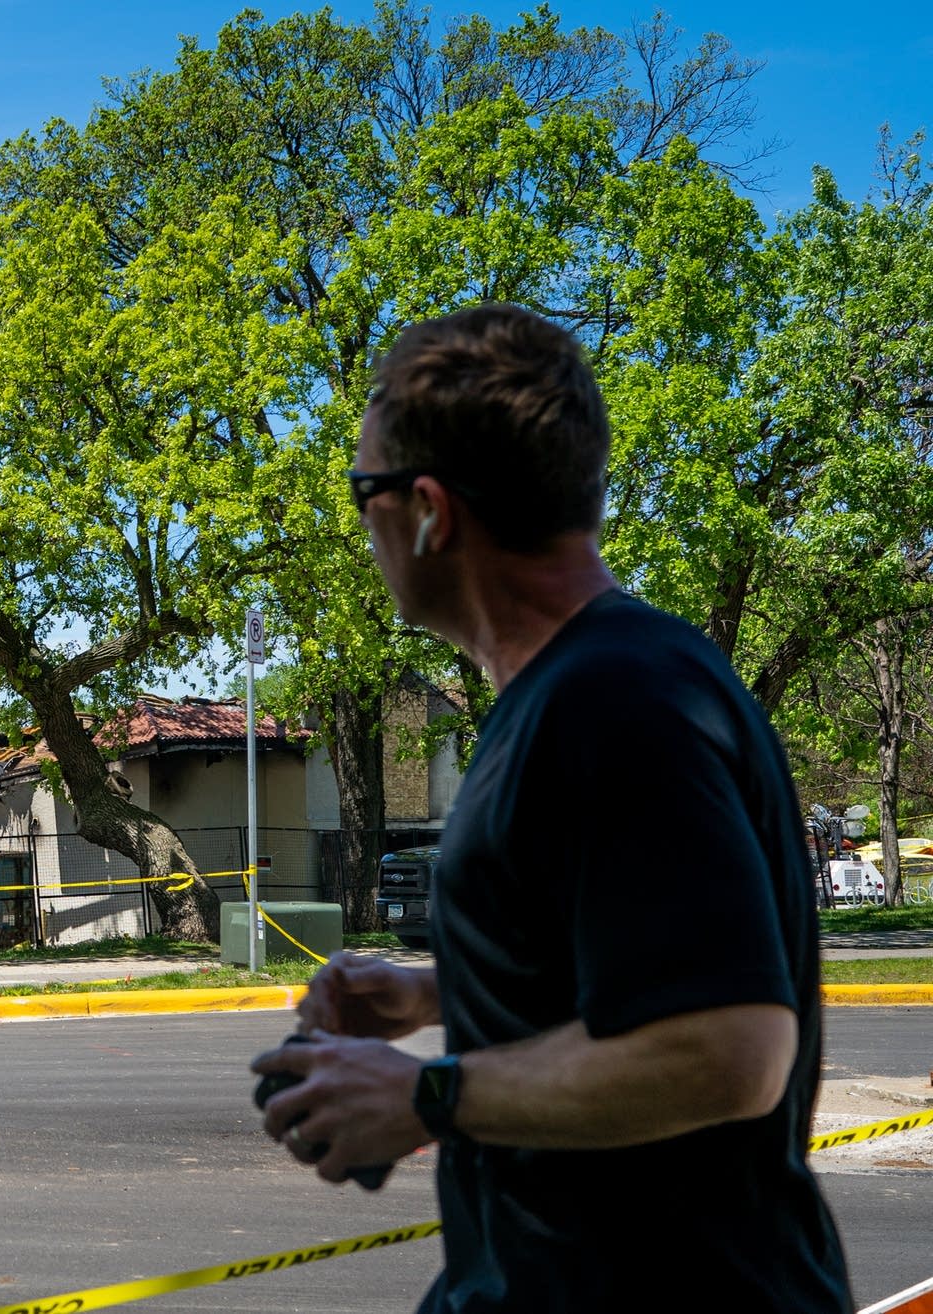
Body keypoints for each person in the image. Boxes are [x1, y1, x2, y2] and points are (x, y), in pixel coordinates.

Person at [250, 304, 851, 1311]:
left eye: (364, 495)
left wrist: (423, 1095)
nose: (362, 529)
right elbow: (643, 962)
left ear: (429, 511)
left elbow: (727, 1049)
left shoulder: (612, 703)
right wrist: (443, 991)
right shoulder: (605, 685)